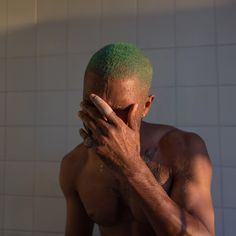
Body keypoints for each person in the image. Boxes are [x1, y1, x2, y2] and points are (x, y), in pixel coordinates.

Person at [59, 42, 215, 236]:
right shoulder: (75, 164)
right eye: (94, 106)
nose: (105, 120)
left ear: (146, 106)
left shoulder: (185, 150)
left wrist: (131, 167)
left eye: (119, 111)